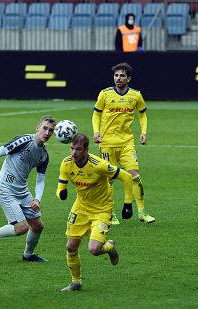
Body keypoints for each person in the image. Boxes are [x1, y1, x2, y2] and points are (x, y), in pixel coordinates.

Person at [56, 133, 133, 292]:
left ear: (86, 150)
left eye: (78, 149)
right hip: (81, 208)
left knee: (94, 250)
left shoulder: (99, 165)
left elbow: (126, 177)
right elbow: (60, 186)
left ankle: (109, 247)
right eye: (72, 148)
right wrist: (61, 193)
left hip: (102, 210)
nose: (74, 153)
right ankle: (76, 283)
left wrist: (128, 204)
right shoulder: (66, 163)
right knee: (70, 247)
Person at [0, 116, 56, 262]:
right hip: (6, 189)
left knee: (37, 225)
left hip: (22, 191)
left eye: (51, 131)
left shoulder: (44, 155)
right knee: (22, 227)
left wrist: (37, 199)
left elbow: (40, 180)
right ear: (37, 128)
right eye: (45, 128)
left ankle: (28, 255)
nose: (47, 133)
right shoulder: (23, 141)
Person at [92, 62, 155, 224]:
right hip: (107, 143)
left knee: (135, 176)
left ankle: (141, 212)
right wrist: (96, 132)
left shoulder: (136, 95)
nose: (118, 78)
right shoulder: (105, 94)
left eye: (122, 76)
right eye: (116, 75)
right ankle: (109, 213)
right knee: (108, 180)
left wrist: (143, 132)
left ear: (129, 78)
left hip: (127, 143)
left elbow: (142, 115)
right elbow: (96, 114)